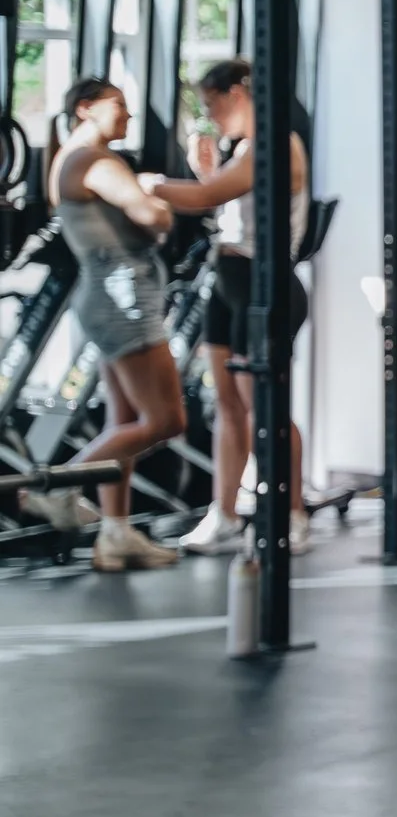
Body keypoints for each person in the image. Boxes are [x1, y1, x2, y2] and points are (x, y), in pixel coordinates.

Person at [19, 79, 187, 570]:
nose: (129, 117)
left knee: (123, 424)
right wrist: (155, 191)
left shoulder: (68, 159)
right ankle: (58, 485)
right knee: (166, 421)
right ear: (85, 109)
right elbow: (151, 212)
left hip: (107, 294)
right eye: (120, 106)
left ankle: (115, 533)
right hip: (123, 297)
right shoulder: (93, 161)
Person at [147, 58, 312, 555]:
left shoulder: (277, 144)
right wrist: (205, 173)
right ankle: (224, 514)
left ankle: (294, 512)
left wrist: (147, 184)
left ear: (238, 94)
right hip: (230, 277)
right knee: (228, 407)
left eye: (212, 105)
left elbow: (208, 196)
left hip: (266, 281)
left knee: (267, 408)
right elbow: (225, 198)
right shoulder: (241, 148)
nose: (210, 117)